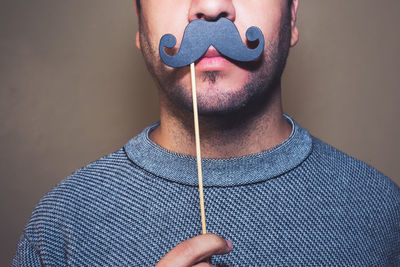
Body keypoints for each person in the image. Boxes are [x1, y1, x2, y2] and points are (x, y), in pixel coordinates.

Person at [13, 0, 400, 266]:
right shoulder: (61, 227)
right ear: (139, 20)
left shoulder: (385, 215)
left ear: (292, 17)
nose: (212, 6)